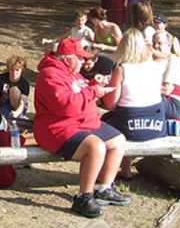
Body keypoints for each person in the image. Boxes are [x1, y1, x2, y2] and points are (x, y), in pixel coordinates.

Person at [34, 37, 131, 218]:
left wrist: (95, 84)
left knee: (118, 141)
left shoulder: (71, 72)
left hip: (83, 123)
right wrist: (94, 91)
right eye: (80, 57)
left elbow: (81, 91)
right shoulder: (50, 75)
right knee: (96, 147)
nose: (84, 61)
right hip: (57, 129)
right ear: (68, 58)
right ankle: (83, 197)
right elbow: (66, 106)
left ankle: (104, 188)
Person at [102, 29, 166, 178]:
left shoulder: (122, 70)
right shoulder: (156, 66)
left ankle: (106, 172)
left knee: (106, 123)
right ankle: (125, 170)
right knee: (120, 120)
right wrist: (151, 49)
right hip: (157, 126)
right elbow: (164, 57)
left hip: (129, 126)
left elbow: (110, 103)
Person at [153, 30, 180, 119]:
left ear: (168, 45)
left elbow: (166, 89)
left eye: (159, 43)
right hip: (162, 99)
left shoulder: (173, 61)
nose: (155, 46)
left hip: (174, 105)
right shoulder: (155, 60)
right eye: (153, 43)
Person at [0, 55, 30, 121]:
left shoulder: (25, 84)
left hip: (17, 107)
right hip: (3, 105)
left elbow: (22, 103)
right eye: (12, 70)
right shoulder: (0, 78)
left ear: (22, 70)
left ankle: (18, 117)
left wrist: (16, 113)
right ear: (8, 69)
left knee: (14, 90)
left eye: (17, 70)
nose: (14, 73)